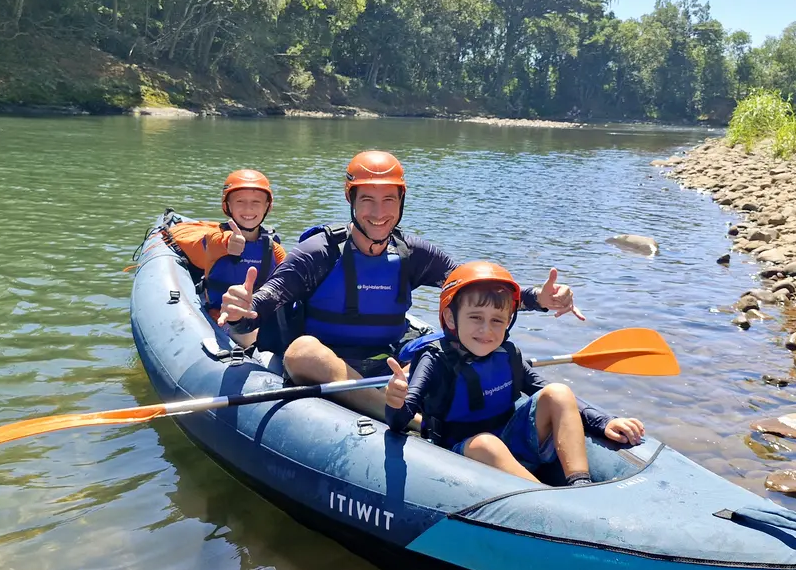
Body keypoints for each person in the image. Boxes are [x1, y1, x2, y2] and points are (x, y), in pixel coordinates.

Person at [217, 151, 583, 415]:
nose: (379, 214)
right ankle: (407, 419)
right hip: (327, 366)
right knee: (302, 351)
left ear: (401, 201)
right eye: (368, 201)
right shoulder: (320, 251)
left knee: (464, 334)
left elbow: (475, 291)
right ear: (352, 201)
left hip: (390, 363)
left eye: (389, 200)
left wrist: (536, 297)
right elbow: (265, 301)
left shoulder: (413, 253)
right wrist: (243, 312)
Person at [382, 261, 645, 484]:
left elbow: (546, 393)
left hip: (510, 436)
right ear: (451, 319)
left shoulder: (507, 353)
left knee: (559, 392)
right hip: (461, 451)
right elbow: (398, 421)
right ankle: (547, 499)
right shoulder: (434, 359)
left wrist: (603, 421)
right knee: (487, 444)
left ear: (508, 322)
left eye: (497, 320)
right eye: (475, 318)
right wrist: (396, 401)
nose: (487, 330)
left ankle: (579, 482)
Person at [163, 169, 285, 349]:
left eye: (256, 202)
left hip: (258, 318)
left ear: (267, 206)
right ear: (227, 205)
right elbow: (217, 241)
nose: (248, 209)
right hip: (220, 320)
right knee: (251, 336)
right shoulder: (216, 238)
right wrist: (230, 242)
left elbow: (290, 274)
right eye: (240, 201)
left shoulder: (274, 248)